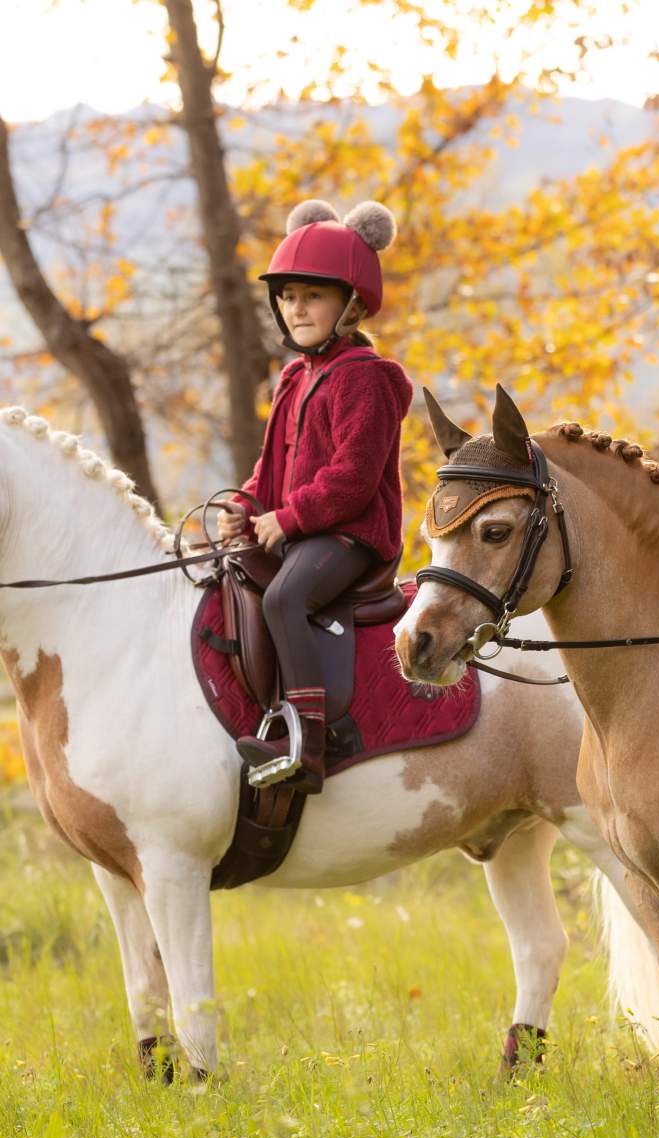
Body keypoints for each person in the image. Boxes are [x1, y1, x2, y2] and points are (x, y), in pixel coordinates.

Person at [218, 198, 413, 794]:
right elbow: (270, 465)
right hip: (303, 526)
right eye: (287, 297)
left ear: (350, 304)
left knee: (285, 598)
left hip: (352, 533)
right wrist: (249, 508)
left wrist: (291, 516)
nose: (296, 308)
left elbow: (353, 478)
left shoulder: (365, 378)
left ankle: (306, 743)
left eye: (313, 296)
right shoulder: (295, 377)